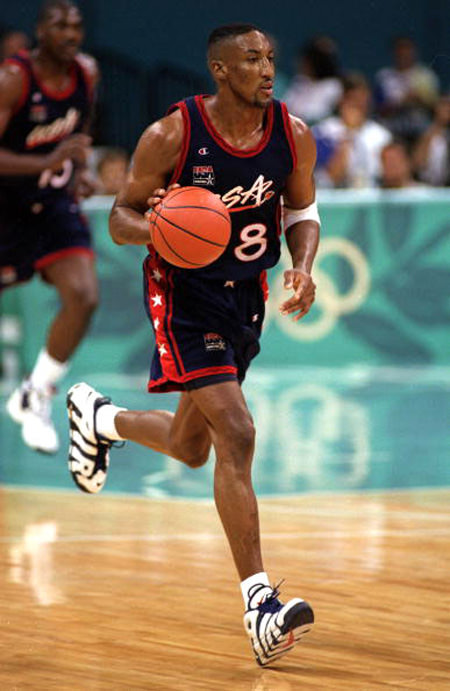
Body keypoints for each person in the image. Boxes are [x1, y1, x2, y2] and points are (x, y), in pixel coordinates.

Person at [67, 23, 319, 666]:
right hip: (184, 297)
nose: (267, 69)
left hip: (244, 298)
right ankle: (260, 605)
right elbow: (119, 215)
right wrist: (159, 226)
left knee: (190, 446)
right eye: (252, 60)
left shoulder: (293, 133)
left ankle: (102, 419)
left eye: (270, 58)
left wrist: (303, 265)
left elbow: (300, 214)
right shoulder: (171, 135)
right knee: (236, 433)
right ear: (219, 69)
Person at [1, 0, 99, 453]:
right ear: (41, 29)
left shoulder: (88, 73)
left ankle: (35, 393)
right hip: (6, 207)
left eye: (77, 26)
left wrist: (81, 172)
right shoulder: (14, 79)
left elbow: (80, 134)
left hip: (54, 204)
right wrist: (46, 160)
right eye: (60, 25)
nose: (70, 33)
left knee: (83, 295)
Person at [313, 73, 392, 188]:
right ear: (342, 101)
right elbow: (328, 180)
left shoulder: (381, 135)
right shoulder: (323, 132)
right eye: (354, 100)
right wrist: (349, 133)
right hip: (336, 199)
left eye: (363, 100)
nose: (359, 105)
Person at [374, 36, 439, 144]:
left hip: (420, 131)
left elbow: (435, 108)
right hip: (393, 131)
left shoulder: (425, 76)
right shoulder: (384, 76)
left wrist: (419, 99)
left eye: (407, 50)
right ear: (394, 53)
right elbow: (378, 109)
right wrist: (400, 102)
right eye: (400, 50)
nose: (404, 54)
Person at [283, 35, 342, 126]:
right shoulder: (299, 82)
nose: (302, 64)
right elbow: (286, 107)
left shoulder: (332, 86)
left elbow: (319, 115)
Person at [412, 94, 450, 186]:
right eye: (444, 106)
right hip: (428, 186)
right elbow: (417, 165)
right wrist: (438, 125)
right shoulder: (427, 133)